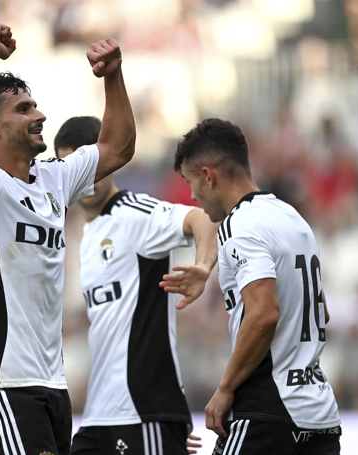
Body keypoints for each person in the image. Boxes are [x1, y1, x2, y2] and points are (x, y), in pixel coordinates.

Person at [0, 22, 135, 455]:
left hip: (50, 383)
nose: (41, 116)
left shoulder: (54, 177)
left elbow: (119, 148)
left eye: (36, 106)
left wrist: (113, 76)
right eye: (24, 109)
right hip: (0, 382)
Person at [169, 119, 342, 455]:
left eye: (191, 182)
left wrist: (225, 388)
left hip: (266, 411)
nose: (192, 195)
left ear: (208, 175)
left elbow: (263, 315)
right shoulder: (292, 217)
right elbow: (320, 310)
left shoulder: (240, 224)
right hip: (318, 413)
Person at [53, 117, 215, 455]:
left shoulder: (132, 214)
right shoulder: (84, 234)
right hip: (101, 413)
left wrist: (202, 267)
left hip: (143, 409)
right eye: (75, 169)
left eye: (92, 166)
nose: (85, 179)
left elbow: (200, 220)